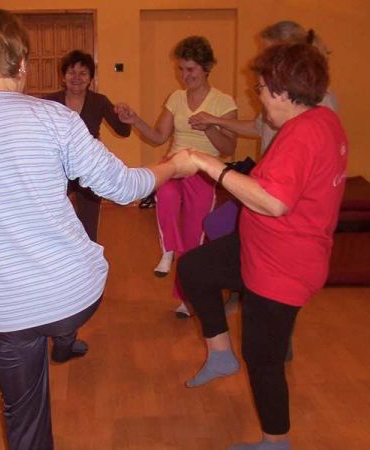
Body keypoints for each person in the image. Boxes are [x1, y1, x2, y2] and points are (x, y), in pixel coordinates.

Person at [0, 5, 196, 449]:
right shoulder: (55, 119)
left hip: (3, 311)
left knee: (24, 412)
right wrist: (174, 165)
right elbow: (125, 187)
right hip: (75, 294)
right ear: (21, 63)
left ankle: (46, 342)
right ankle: (62, 336)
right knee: (51, 314)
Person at [176, 43, 347, 450]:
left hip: (283, 266)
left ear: (283, 92)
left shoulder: (304, 133)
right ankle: (221, 355)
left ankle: (276, 441)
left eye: (262, 89)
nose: (259, 97)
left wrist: (207, 163)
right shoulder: (321, 119)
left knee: (263, 359)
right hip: (261, 245)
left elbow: (273, 202)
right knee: (195, 268)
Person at [116, 36, 237, 317]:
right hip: (175, 164)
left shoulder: (224, 102)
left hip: (205, 171)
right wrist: (135, 120)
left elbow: (228, 149)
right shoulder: (176, 98)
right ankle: (168, 249)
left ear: (206, 68)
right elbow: (159, 136)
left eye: (190, 69)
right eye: (181, 69)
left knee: (194, 238)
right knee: (166, 193)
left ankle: (186, 298)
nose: (185, 76)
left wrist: (210, 127)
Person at [189, 21, 337, 155]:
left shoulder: (320, 102)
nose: (263, 59)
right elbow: (259, 127)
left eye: (268, 53)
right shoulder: (279, 99)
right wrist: (215, 121)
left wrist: (209, 165)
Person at [44, 50, 131, 242]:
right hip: (57, 169)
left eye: (83, 73)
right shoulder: (50, 102)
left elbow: (123, 131)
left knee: (89, 223)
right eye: (71, 72)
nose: (77, 77)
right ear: (63, 77)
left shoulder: (99, 101)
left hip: (89, 167)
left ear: (90, 78)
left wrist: (124, 117)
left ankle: (89, 257)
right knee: (53, 221)